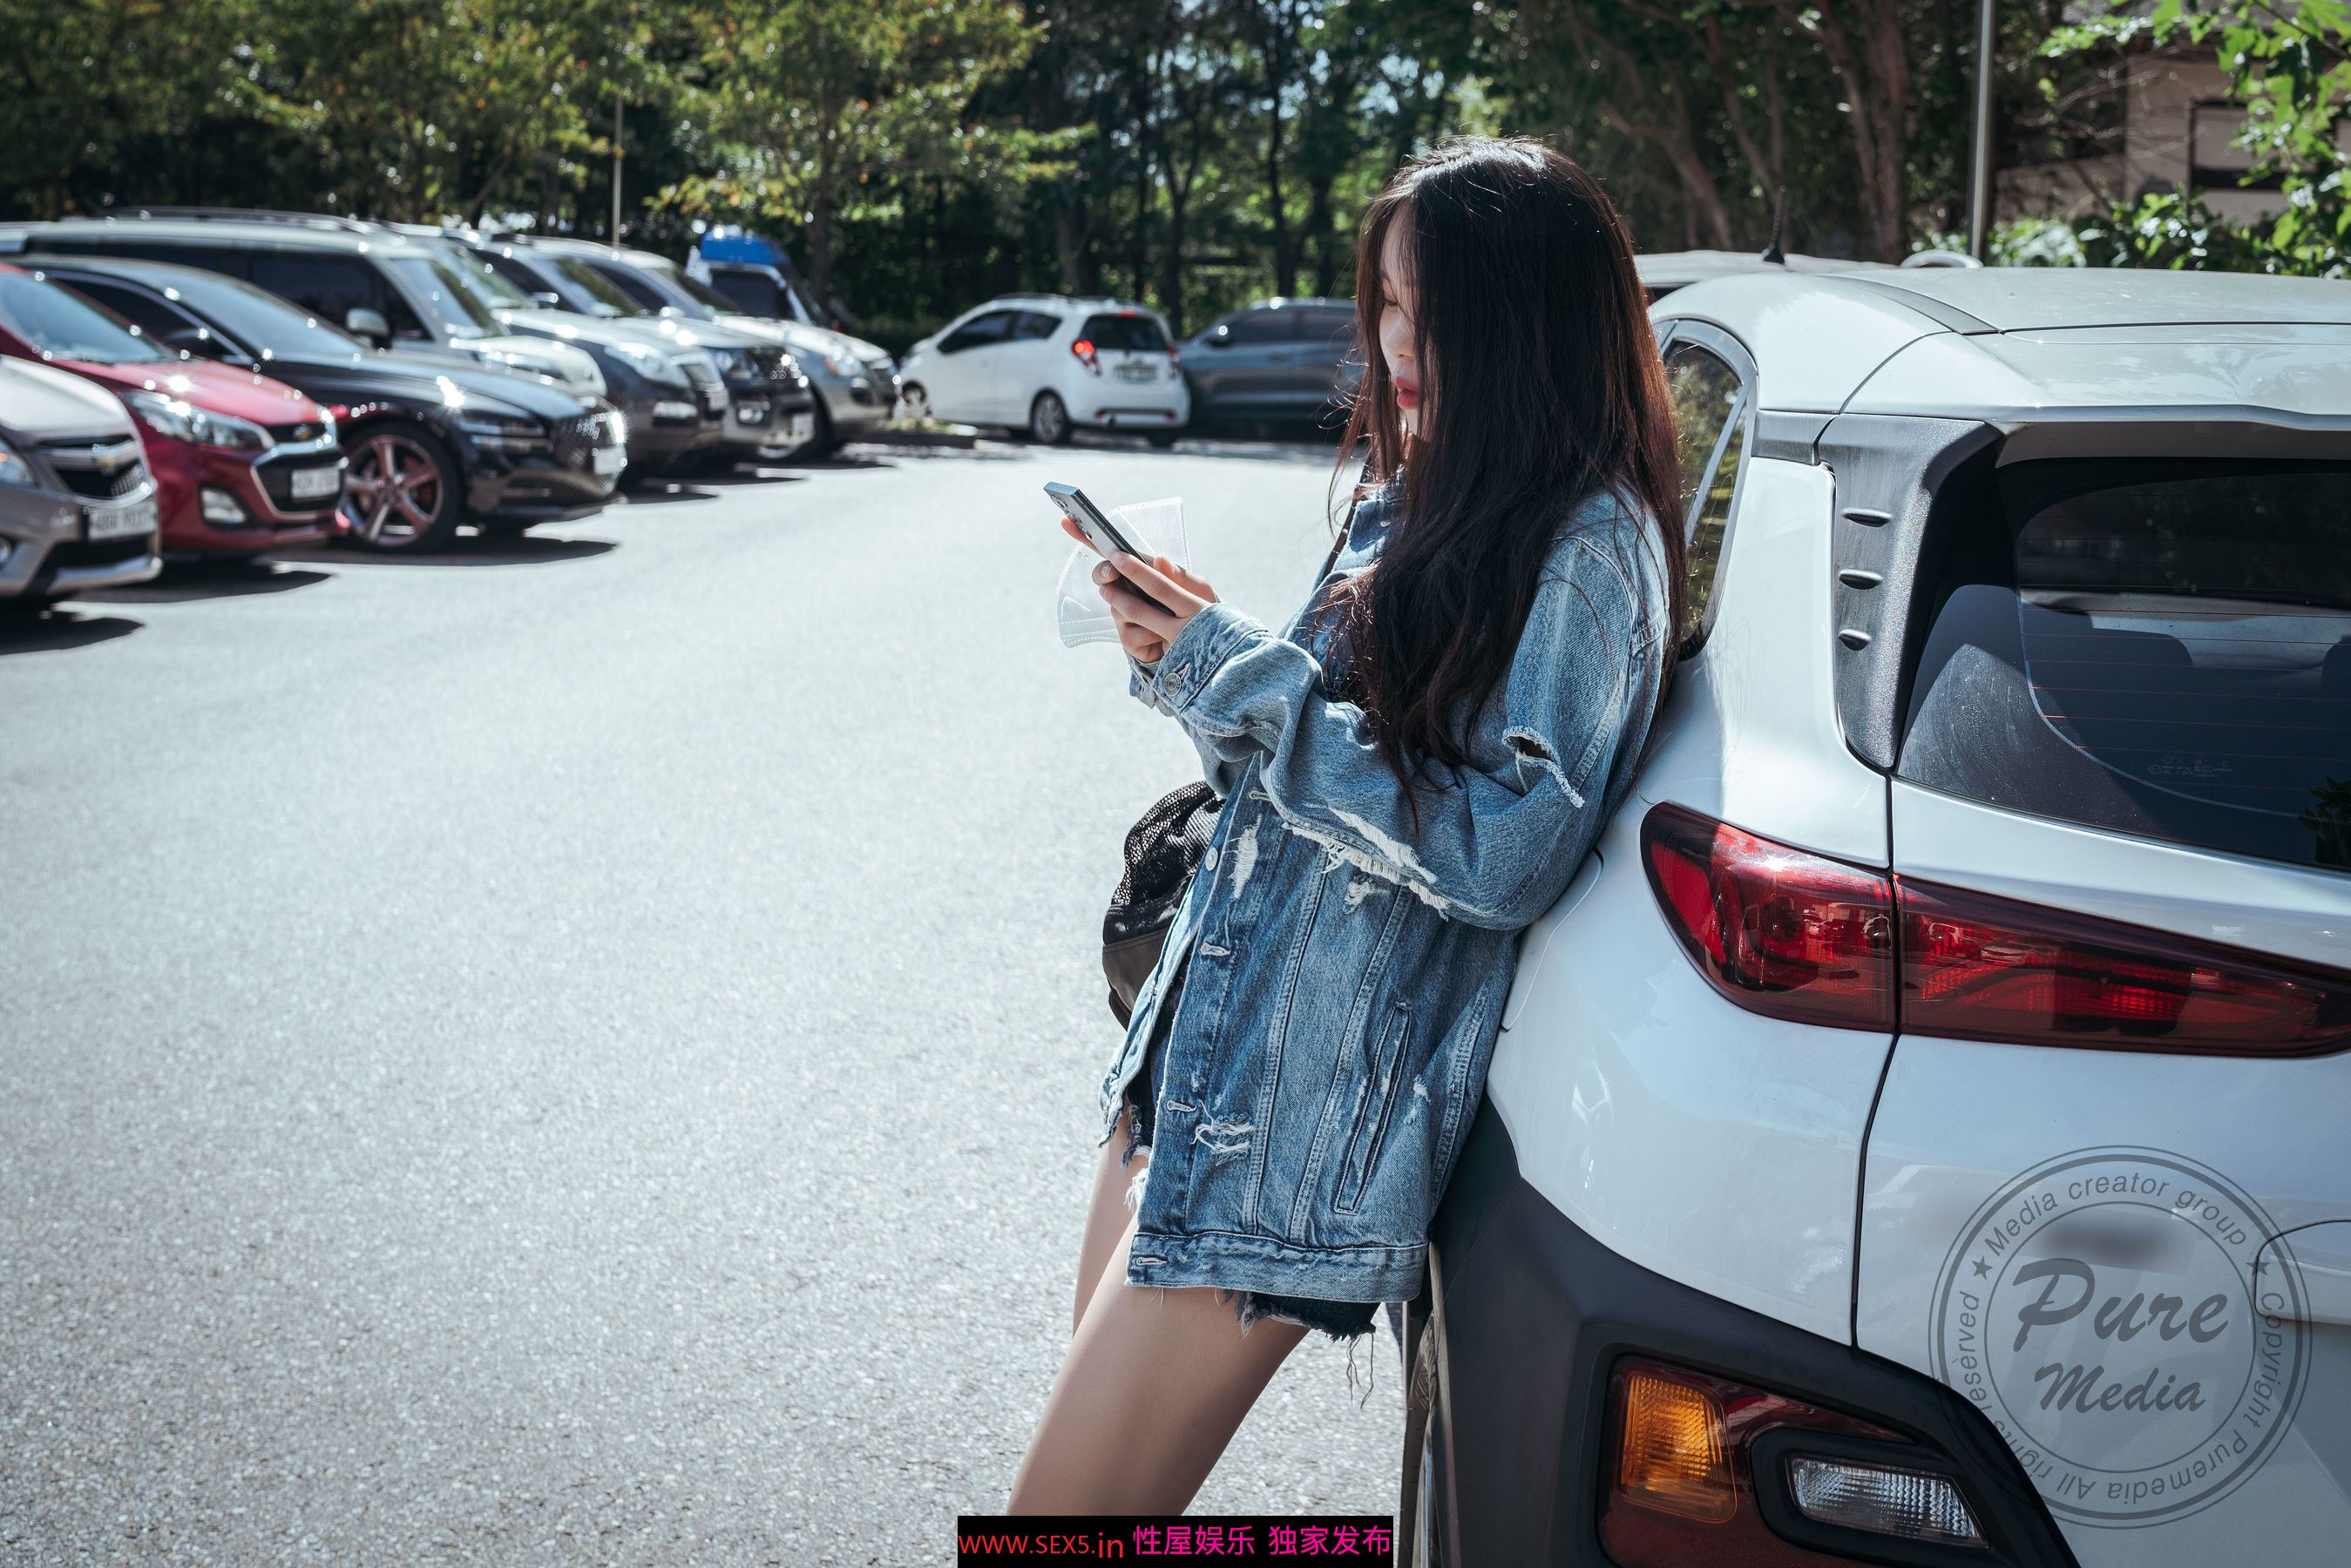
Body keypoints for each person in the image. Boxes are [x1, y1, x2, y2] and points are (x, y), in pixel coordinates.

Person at [1012, 136, 1687, 1514]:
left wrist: (1240, 672)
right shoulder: (1409, 496)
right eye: (1383, 302)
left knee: (1053, 1528)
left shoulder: (1587, 549)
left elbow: (1502, 854)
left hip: (1288, 1133)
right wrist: (1187, 661)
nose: (1396, 345)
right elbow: (1296, 776)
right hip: (1194, 1061)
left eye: (1434, 311)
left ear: (1529, 323)